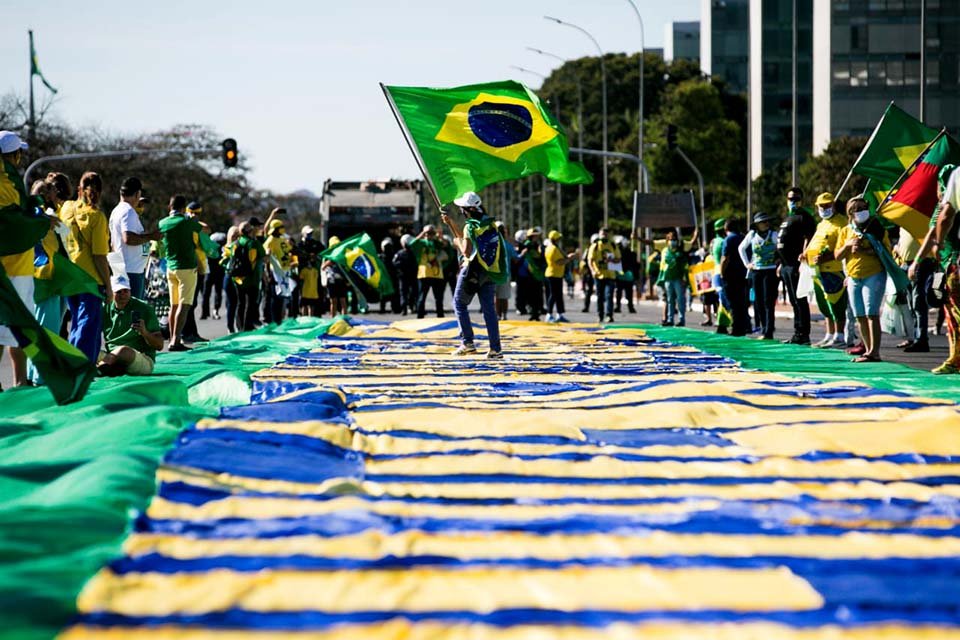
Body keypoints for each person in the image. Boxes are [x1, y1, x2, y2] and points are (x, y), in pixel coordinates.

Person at [0, 131, 57, 388]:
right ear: (13, 155)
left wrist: (34, 205)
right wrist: (41, 222)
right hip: (13, 267)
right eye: (19, 153)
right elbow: (13, 224)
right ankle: (20, 381)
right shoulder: (4, 185)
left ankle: (19, 380)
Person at [441, 192, 504, 358]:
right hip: (489, 271)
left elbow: (466, 251)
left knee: (459, 303)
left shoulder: (469, 226)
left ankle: (467, 342)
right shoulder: (490, 224)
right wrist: (452, 224)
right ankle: (495, 348)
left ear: (466, 210)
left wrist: (456, 243)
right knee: (489, 309)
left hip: (473, 270)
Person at [60, 171, 113, 361]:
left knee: (76, 323)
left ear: (79, 189)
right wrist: (108, 285)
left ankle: (72, 362)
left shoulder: (66, 208)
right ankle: (81, 366)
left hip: (68, 276)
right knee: (88, 327)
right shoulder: (96, 217)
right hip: (90, 280)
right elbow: (100, 256)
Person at [834, 197, 892, 363]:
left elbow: (886, 254)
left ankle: (875, 352)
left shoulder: (877, 229)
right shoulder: (845, 231)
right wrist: (848, 246)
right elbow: (838, 255)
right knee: (859, 316)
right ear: (850, 213)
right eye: (856, 209)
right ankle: (868, 350)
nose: (861, 211)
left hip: (873, 275)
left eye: (863, 207)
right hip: (853, 277)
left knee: (871, 314)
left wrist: (866, 250)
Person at [159, 195, 207, 350]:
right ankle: (175, 340)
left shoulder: (163, 223)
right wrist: (191, 217)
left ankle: (174, 338)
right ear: (183, 208)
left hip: (170, 267)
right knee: (184, 305)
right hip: (186, 267)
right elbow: (206, 229)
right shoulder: (187, 222)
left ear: (169, 207)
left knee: (174, 305)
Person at [925, 165, 960, 374]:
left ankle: (955, 359)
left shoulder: (955, 181)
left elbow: (945, 217)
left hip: (954, 263)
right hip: (950, 263)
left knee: (955, 312)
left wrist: (936, 245)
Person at [805, 193, 849, 348]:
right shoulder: (822, 223)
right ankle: (829, 335)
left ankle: (840, 336)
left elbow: (843, 247)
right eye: (821, 206)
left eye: (827, 205)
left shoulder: (842, 223)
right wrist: (805, 254)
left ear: (834, 205)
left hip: (834, 269)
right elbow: (814, 243)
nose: (824, 208)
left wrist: (827, 257)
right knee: (824, 305)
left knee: (836, 303)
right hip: (817, 271)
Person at [98, 274, 164, 376]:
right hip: (111, 355)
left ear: (130, 291)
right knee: (85, 350)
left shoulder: (144, 309)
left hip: (140, 358)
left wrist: (144, 332)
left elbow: (159, 345)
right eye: (118, 292)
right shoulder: (104, 308)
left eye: (126, 291)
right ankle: (112, 367)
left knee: (123, 351)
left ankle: (100, 368)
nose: (123, 294)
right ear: (111, 292)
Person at [777, 186, 817, 344]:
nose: (793, 202)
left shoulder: (804, 217)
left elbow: (810, 237)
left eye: (796, 199)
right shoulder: (787, 217)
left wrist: (804, 255)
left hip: (796, 264)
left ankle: (803, 334)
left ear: (801, 200)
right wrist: (780, 263)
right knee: (793, 300)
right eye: (790, 199)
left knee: (800, 299)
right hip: (785, 265)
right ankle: (797, 333)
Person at [108, 177, 159, 299]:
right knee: (134, 312)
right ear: (137, 194)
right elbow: (128, 238)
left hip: (125, 268)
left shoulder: (116, 210)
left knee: (127, 311)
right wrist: (151, 236)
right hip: (131, 271)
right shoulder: (128, 211)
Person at [738, 211, 779, 340]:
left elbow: (780, 248)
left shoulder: (773, 235)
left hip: (770, 270)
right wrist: (747, 264)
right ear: (757, 224)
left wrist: (778, 261)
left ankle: (769, 330)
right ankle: (763, 328)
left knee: (768, 301)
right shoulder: (752, 235)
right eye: (763, 222)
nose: (766, 224)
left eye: (767, 221)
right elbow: (741, 248)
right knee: (759, 301)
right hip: (756, 271)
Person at [720, 218, 750, 336]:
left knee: (732, 303)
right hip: (743, 273)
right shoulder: (743, 237)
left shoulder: (728, 239)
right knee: (741, 302)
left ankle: (736, 328)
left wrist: (722, 273)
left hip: (731, 274)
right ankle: (744, 327)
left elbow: (725, 258)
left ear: (726, 229)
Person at [409, 224, 446, 318]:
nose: (429, 235)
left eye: (431, 233)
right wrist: (422, 234)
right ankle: (420, 315)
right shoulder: (421, 243)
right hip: (424, 273)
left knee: (438, 297)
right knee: (422, 296)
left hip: (436, 273)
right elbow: (411, 244)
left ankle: (440, 315)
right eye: (427, 233)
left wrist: (440, 236)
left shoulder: (436, 243)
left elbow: (446, 245)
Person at [587, 227, 621, 323]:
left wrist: (612, 260)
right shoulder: (595, 246)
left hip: (610, 275)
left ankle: (609, 315)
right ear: (599, 234)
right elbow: (590, 260)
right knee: (600, 296)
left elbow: (618, 259)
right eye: (602, 234)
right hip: (598, 275)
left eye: (606, 234)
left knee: (609, 295)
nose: (604, 236)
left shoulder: (613, 245)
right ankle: (600, 315)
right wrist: (593, 271)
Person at [263, 217, 294, 324]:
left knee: (283, 297)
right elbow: (267, 257)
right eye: (281, 227)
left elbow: (289, 250)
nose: (283, 229)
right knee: (275, 297)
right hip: (275, 272)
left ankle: (279, 319)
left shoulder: (282, 239)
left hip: (285, 271)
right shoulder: (270, 240)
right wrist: (268, 273)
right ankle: (272, 319)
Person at [656, 230, 689, 326]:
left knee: (680, 299)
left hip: (678, 278)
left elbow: (684, 266)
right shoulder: (665, 251)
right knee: (670, 300)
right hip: (668, 278)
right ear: (667, 241)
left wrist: (684, 278)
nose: (673, 241)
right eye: (671, 239)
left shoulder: (680, 253)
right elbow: (663, 264)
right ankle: (670, 319)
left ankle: (681, 319)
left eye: (674, 239)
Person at [544, 230, 574, 322]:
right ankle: (549, 314)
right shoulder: (553, 249)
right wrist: (569, 259)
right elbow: (559, 262)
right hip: (554, 274)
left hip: (556, 274)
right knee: (553, 295)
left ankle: (559, 314)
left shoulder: (551, 248)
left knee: (558, 295)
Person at [709, 219, 732, 334]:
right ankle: (723, 323)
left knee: (722, 300)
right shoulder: (723, 242)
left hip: (715, 272)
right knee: (724, 300)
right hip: (721, 273)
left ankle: (722, 323)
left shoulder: (714, 242)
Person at [201, 232, 226, 321]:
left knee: (206, 293)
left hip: (209, 273)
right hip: (217, 273)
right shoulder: (222, 249)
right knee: (216, 293)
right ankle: (214, 310)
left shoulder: (209, 249)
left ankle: (205, 312)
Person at [321, 236, 347, 317]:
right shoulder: (327, 255)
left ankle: (344, 319)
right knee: (333, 301)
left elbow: (346, 267)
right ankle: (333, 319)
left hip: (341, 280)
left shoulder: (342, 254)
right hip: (331, 280)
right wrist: (330, 261)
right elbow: (323, 267)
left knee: (343, 301)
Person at [393, 233, 418, 316]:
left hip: (403, 276)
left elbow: (394, 263)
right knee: (411, 292)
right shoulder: (414, 253)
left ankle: (405, 309)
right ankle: (411, 307)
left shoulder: (399, 253)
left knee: (404, 293)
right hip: (411, 276)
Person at [495, 222, 515, 320]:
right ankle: (504, 315)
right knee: (504, 296)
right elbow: (516, 258)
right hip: (505, 274)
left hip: (494, 273)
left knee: (497, 296)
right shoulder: (508, 245)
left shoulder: (492, 244)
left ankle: (498, 315)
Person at [615, 237, 638, 315]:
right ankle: (618, 306)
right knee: (619, 292)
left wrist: (635, 274)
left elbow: (634, 265)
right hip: (620, 274)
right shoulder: (617, 252)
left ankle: (630, 307)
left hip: (628, 275)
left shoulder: (631, 253)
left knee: (629, 293)